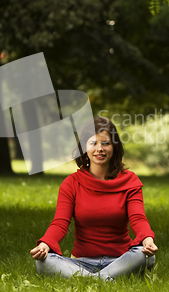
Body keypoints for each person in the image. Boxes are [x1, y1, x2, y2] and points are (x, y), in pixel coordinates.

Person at [29, 117, 158, 281]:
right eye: (93, 143)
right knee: (42, 263)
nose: (99, 149)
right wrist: (45, 244)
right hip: (81, 262)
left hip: (120, 260)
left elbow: (138, 219)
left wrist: (147, 240)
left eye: (105, 143)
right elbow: (60, 223)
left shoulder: (130, 181)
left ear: (114, 147)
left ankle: (90, 280)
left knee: (146, 256)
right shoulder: (71, 183)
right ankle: (103, 279)